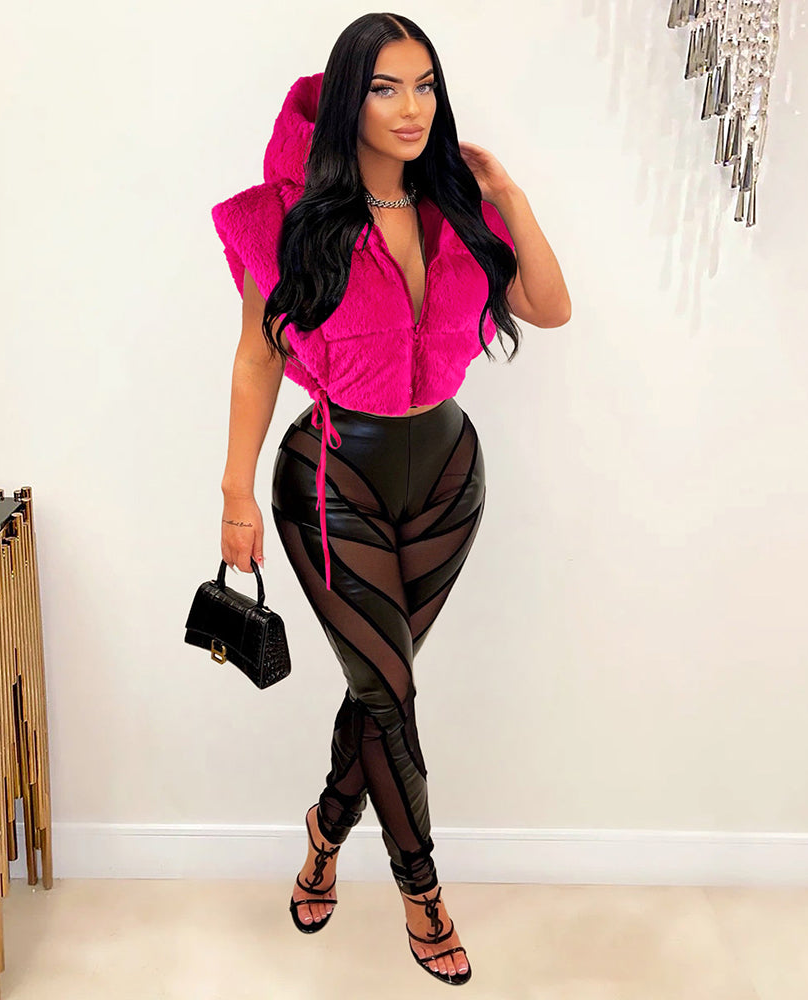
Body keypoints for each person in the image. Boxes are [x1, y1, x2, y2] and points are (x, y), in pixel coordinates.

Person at [211, 11, 570, 986]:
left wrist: (509, 195)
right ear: (346, 101)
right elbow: (255, 358)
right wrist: (235, 492)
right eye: (385, 88)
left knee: (378, 690)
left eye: (425, 86)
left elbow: (549, 306)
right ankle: (423, 893)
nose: (412, 108)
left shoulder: (459, 207)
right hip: (333, 478)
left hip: (449, 476)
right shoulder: (287, 220)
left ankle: (325, 832)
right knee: (393, 694)